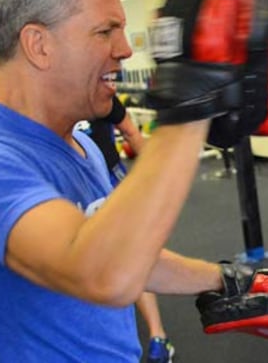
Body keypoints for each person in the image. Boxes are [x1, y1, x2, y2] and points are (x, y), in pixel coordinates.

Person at [0, 0, 268, 361]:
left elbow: (123, 253)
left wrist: (226, 278)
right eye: (104, 31)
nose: (125, 49)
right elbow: (100, 273)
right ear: (38, 45)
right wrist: (190, 101)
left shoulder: (81, 146)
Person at [81, 95, 174, 363]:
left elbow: (132, 132)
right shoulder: (93, 95)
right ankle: (156, 336)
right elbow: (131, 132)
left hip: (104, 179)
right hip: (97, 180)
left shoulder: (100, 97)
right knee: (126, 255)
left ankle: (157, 336)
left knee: (129, 255)